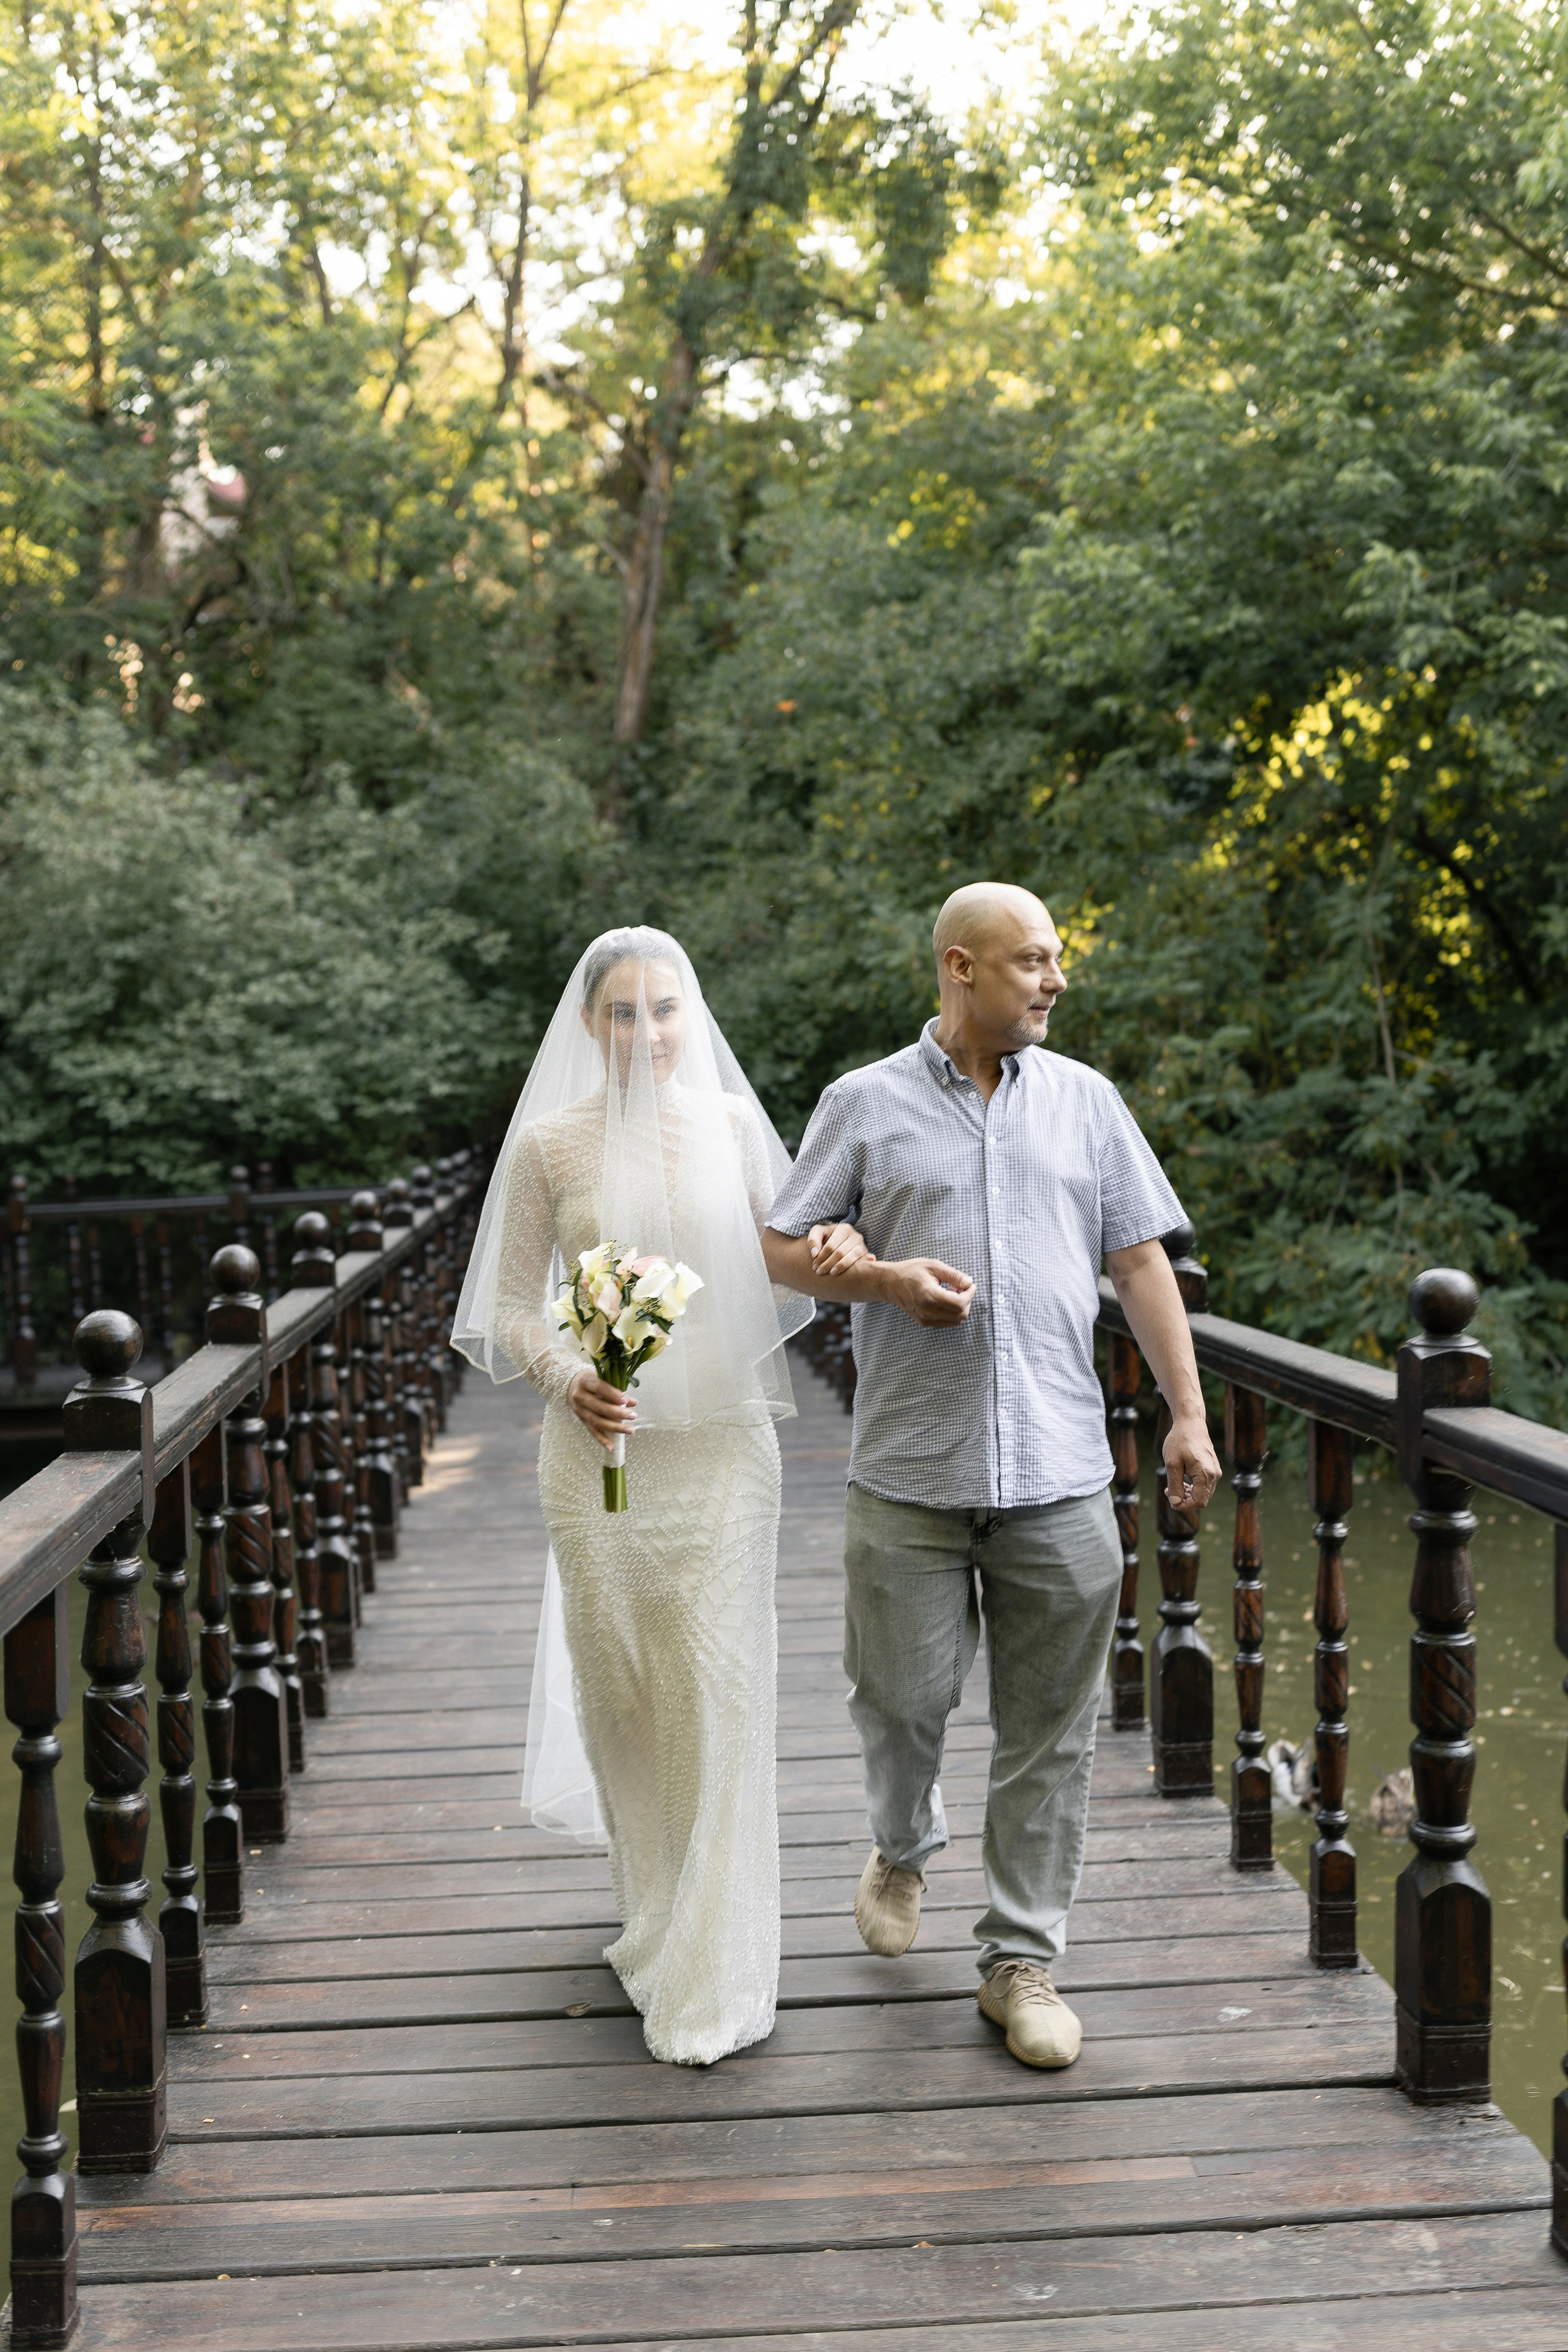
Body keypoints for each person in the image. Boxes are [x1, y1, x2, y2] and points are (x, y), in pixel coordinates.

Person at [762, 882, 1221, 2070]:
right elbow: (782, 1245)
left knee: (1048, 1736)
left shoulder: (1086, 1103)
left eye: (1056, 958)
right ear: (959, 968)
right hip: (907, 1474)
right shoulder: (860, 1104)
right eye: (1030, 960)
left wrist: (1184, 1413)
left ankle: (1018, 1960)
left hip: (1062, 1471)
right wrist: (880, 1279)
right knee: (899, 1699)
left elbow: (1136, 1259)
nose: (1053, 979)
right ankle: (901, 1841)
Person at [451, 927, 859, 2066]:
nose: (646, 1034)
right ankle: (657, 1912)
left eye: (665, 1010)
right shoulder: (550, 1145)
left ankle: (718, 1972)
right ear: (591, 1025)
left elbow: (787, 1257)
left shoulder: (733, 1129)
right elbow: (514, 1303)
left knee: (719, 1693)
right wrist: (571, 1376)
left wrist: (848, 1249)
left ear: (694, 1015)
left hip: (725, 1452)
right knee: (626, 1693)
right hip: (596, 1460)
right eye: (623, 1014)